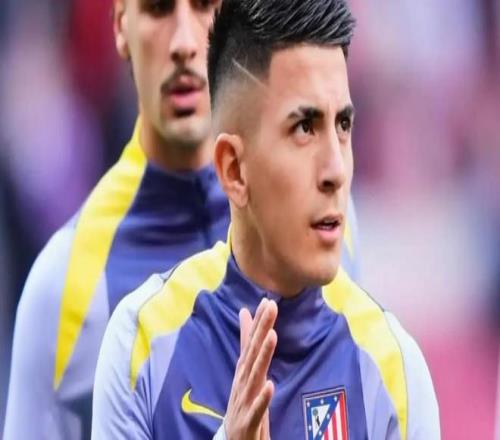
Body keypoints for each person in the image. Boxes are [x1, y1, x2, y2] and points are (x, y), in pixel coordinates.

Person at [3, 0, 359, 438]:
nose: (185, 42)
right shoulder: (64, 285)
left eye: (205, 6)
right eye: (159, 9)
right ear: (121, 25)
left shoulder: (327, 216)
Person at [91, 0, 439, 438]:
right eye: (305, 127)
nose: (335, 170)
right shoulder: (141, 345)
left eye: (343, 125)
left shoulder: (394, 370)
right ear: (234, 169)